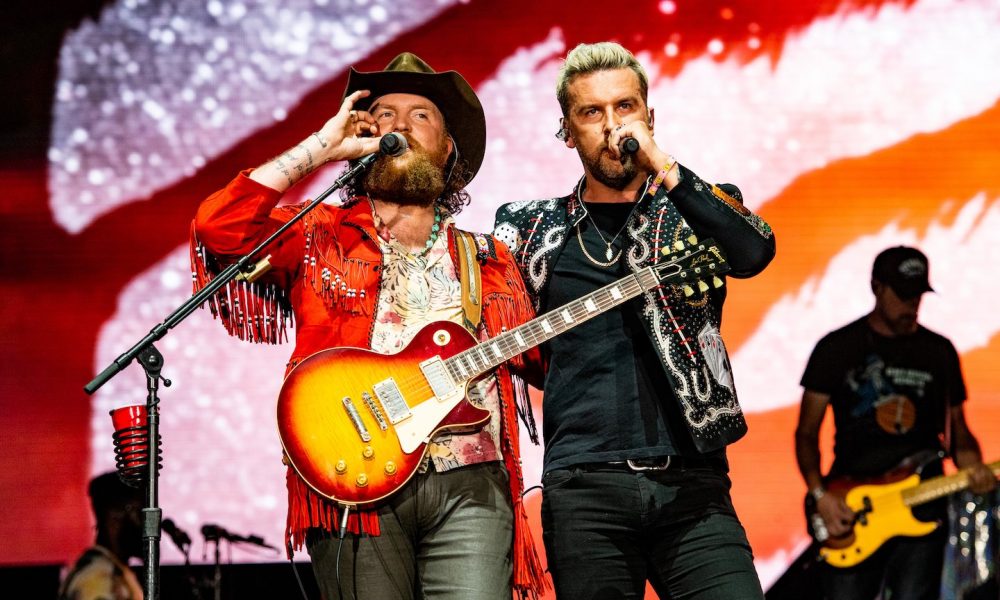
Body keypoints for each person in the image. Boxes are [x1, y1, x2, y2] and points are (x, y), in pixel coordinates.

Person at [191, 53, 545, 599]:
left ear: (449, 147)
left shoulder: (490, 258)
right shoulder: (318, 233)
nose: (400, 125)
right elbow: (219, 229)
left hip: (473, 488)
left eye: (420, 114)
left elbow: (548, 364)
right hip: (355, 483)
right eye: (383, 113)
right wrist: (319, 150)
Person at [493, 42, 775, 599]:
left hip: (693, 486)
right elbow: (505, 341)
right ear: (567, 132)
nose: (611, 125)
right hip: (584, 489)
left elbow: (753, 252)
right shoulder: (527, 230)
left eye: (625, 107)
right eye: (591, 113)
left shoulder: (696, 210)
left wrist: (664, 166)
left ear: (649, 117)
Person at [795, 245, 997, 600]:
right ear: (876, 287)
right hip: (854, 504)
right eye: (903, 295)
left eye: (918, 295)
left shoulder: (940, 351)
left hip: (925, 503)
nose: (911, 306)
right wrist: (820, 495)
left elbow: (958, 433)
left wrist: (975, 470)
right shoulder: (837, 347)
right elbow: (806, 433)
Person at [59, 471, 144, 600]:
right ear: (115, 516)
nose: (148, 527)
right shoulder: (98, 578)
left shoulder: (113, 571)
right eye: (140, 515)